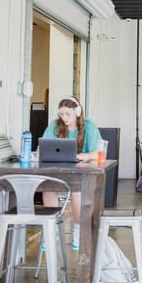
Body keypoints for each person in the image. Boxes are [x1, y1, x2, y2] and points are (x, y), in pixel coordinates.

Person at [40, 96, 101, 250]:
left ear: (77, 112)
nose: (64, 118)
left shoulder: (89, 127)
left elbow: (100, 153)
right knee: (48, 187)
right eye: (61, 114)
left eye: (68, 114)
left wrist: (85, 156)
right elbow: (42, 148)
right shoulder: (55, 126)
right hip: (58, 172)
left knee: (76, 189)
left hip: (80, 175)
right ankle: (51, 230)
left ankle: (78, 228)